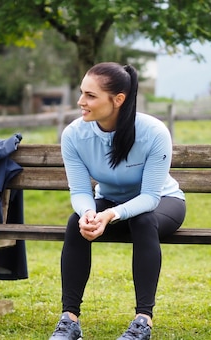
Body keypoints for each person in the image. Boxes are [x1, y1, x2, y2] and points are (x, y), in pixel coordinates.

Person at [49, 62, 186, 340]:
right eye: (81, 93)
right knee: (77, 221)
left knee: (143, 219)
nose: (81, 102)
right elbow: (79, 191)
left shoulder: (153, 132)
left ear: (118, 100)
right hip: (109, 202)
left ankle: (142, 321)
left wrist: (110, 215)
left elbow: (150, 196)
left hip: (162, 203)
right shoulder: (75, 135)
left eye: (90, 95)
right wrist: (89, 213)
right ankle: (69, 320)